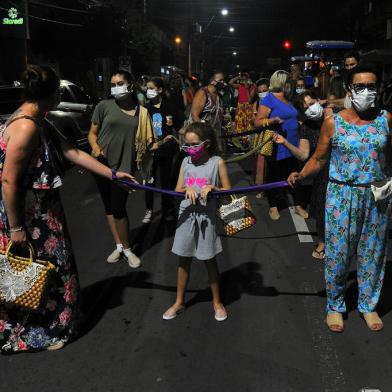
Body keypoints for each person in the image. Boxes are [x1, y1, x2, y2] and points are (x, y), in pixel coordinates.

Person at [0, 65, 135, 353]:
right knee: (33, 271)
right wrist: (15, 228)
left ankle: (50, 326)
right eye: (57, 93)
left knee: (48, 272)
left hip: (41, 214)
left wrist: (112, 174)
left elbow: (73, 153)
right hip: (28, 217)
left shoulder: (39, 120)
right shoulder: (25, 127)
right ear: (46, 95)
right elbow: (9, 181)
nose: (60, 97)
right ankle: (34, 333)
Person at [288, 65, 392, 333]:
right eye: (360, 86)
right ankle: (335, 306)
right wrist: (300, 175)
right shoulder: (333, 122)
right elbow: (319, 159)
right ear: (349, 90)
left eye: (372, 86)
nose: (367, 91)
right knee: (338, 253)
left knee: (373, 251)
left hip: (376, 195)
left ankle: (368, 305)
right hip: (342, 196)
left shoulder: (386, 119)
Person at [163, 122, 231, 322]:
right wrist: (187, 189)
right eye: (187, 145)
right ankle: (179, 301)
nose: (190, 149)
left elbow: (228, 191)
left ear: (207, 144)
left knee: (209, 260)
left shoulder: (217, 162)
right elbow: (177, 190)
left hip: (206, 218)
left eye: (194, 145)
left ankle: (217, 302)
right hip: (186, 217)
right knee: (183, 260)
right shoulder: (186, 163)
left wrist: (214, 188)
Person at [88, 70, 156, 267]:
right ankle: (119, 245)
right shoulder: (104, 106)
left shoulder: (141, 112)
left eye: (120, 83)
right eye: (113, 84)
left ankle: (127, 250)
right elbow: (93, 133)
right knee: (109, 207)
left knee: (119, 208)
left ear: (131, 84)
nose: (116, 87)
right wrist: (94, 146)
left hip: (124, 167)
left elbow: (146, 141)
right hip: (101, 164)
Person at [274, 91, 331, 259]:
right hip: (321, 171)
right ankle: (322, 241)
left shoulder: (335, 117)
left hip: (342, 167)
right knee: (321, 207)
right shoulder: (306, 127)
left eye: (312, 103)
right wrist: (285, 143)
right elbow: (303, 155)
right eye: (305, 107)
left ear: (318, 100)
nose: (310, 108)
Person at [255, 70, 307, 220]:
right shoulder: (268, 99)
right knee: (274, 176)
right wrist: (272, 121)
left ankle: (298, 206)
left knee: (295, 174)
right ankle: (273, 207)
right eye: (288, 82)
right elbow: (257, 122)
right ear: (282, 83)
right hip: (277, 144)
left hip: (293, 143)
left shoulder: (288, 98)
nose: (291, 85)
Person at [143, 77, 180, 223]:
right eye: (147, 88)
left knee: (166, 181)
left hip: (167, 151)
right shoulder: (145, 109)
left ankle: (167, 209)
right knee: (149, 181)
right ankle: (149, 209)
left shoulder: (170, 107)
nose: (148, 91)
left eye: (151, 88)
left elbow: (180, 127)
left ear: (160, 90)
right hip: (150, 151)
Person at [190, 72, 224, 148]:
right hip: (202, 135)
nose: (223, 83)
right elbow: (194, 115)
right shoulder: (203, 93)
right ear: (212, 81)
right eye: (220, 80)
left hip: (215, 135)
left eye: (223, 80)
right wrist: (206, 133)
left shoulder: (218, 94)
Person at [251, 78, 270, 199]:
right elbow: (254, 121)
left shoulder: (274, 102)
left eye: (265, 90)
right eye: (260, 91)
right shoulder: (256, 103)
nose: (262, 93)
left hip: (272, 134)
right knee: (261, 162)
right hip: (261, 135)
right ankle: (260, 188)